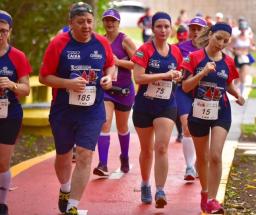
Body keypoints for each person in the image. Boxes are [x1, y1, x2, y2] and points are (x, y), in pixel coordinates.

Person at [39, 2, 114, 215]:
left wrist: (109, 76)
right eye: (80, 22)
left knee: (85, 154)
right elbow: (44, 77)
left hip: (92, 110)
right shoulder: (58, 44)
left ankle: (72, 206)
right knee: (63, 155)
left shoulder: (101, 43)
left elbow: (110, 63)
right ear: (70, 23)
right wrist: (67, 84)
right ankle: (65, 188)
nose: (86, 26)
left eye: (90, 21)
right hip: (63, 110)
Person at [182, 22, 245, 213]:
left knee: (216, 156)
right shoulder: (194, 57)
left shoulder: (228, 62)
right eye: (218, 38)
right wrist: (202, 73)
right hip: (199, 112)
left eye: (225, 41)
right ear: (210, 35)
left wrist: (238, 95)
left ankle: (212, 199)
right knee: (203, 157)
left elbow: (228, 85)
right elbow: (185, 87)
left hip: (221, 111)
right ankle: (204, 192)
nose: (221, 43)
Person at [131, 12, 183, 208]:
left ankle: (160, 189)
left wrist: (177, 76)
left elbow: (178, 73)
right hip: (144, 105)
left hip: (166, 105)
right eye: (159, 26)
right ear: (152, 28)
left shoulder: (176, 51)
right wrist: (165, 74)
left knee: (161, 147)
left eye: (166, 26)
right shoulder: (144, 50)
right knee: (146, 150)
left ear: (171, 29)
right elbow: (139, 78)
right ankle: (145, 184)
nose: (163, 30)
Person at [93, 8, 137, 176]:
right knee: (104, 123)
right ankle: (103, 164)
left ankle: (124, 156)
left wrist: (117, 62)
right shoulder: (100, 41)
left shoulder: (125, 40)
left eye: (113, 20)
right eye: (107, 20)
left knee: (122, 126)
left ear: (118, 23)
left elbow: (138, 63)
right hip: (107, 90)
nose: (110, 23)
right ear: (103, 23)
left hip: (124, 90)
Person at [0, 10, 32, 215]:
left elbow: (26, 89)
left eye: (3, 31)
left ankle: (1, 203)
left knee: (2, 161)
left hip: (8, 114)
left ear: (10, 32)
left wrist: (12, 84)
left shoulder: (17, 56)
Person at [176, 16, 207, 181]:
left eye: (199, 29)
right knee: (187, 127)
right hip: (184, 92)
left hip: (203, 94)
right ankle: (189, 167)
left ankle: (197, 164)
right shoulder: (180, 48)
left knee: (201, 131)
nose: (195, 32)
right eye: (193, 29)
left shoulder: (212, 49)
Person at [232, 19, 256, 96]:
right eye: (241, 29)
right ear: (240, 29)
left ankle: (241, 95)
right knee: (237, 76)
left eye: (244, 29)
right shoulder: (236, 37)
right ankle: (235, 90)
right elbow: (229, 46)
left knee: (243, 77)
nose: (243, 31)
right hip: (238, 58)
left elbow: (253, 46)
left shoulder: (249, 38)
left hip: (245, 58)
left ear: (246, 29)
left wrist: (252, 48)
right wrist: (235, 51)